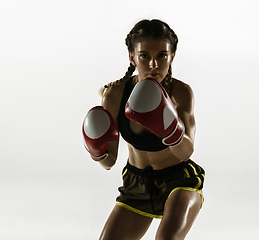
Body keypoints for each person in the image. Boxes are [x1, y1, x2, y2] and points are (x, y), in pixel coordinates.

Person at [82, 19, 205, 240]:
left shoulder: (181, 93)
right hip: (136, 186)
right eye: (145, 56)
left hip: (178, 183)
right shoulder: (115, 94)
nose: (154, 65)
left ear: (172, 56)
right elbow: (109, 162)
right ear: (132, 57)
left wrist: (171, 130)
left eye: (162, 56)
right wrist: (96, 149)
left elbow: (186, 151)